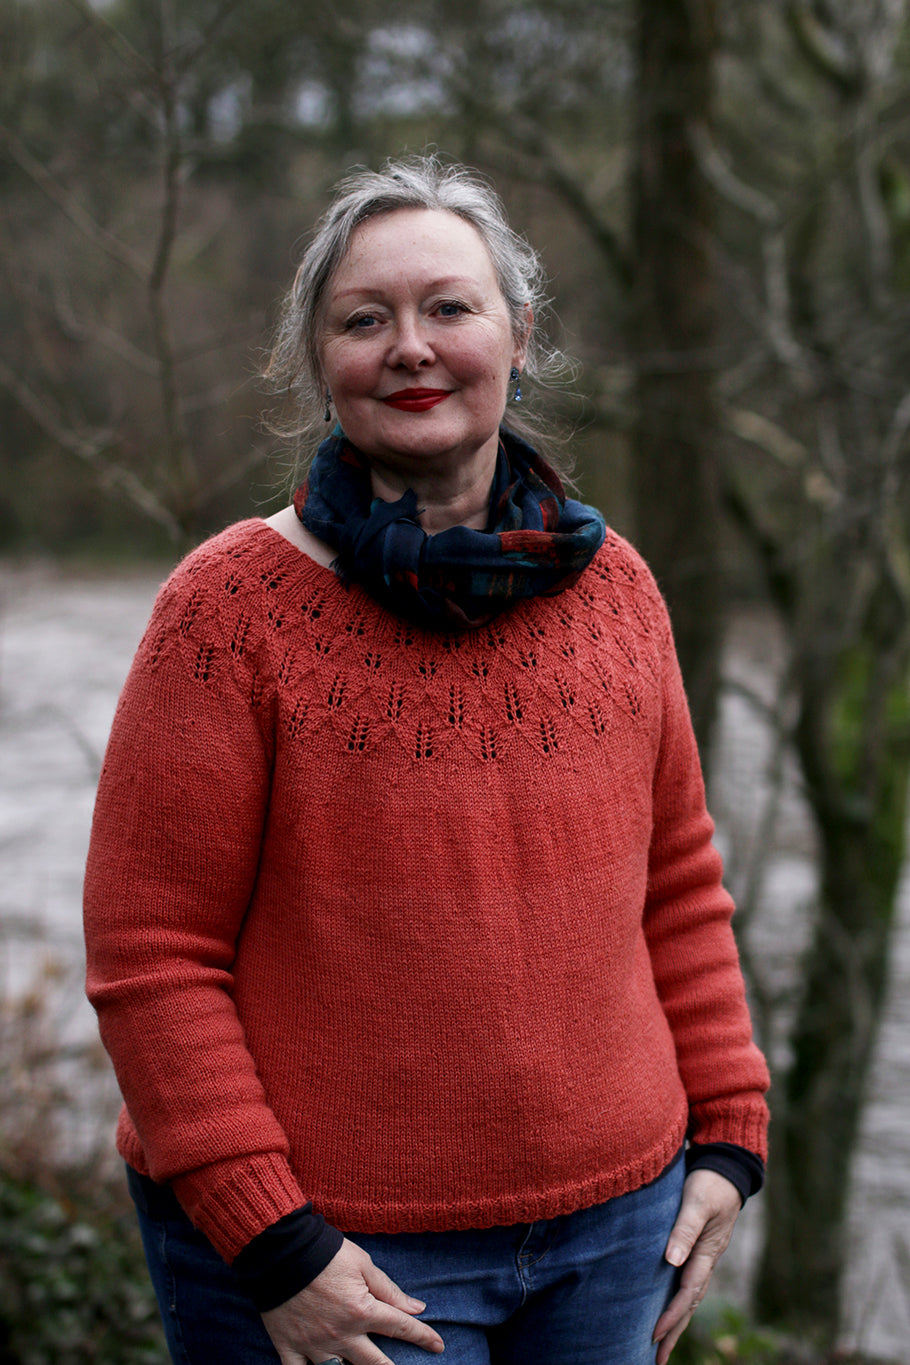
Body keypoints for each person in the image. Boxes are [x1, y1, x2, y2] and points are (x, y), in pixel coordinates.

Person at [83, 154, 769, 1365]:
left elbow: (678, 880)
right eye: (365, 319)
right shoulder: (229, 610)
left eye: (449, 307)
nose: (411, 347)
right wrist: (272, 1243)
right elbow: (151, 956)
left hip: (616, 1238)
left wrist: (727, 1133)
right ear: (319, 360)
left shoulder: (618, 593)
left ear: (520, 331)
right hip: (333, 1258)